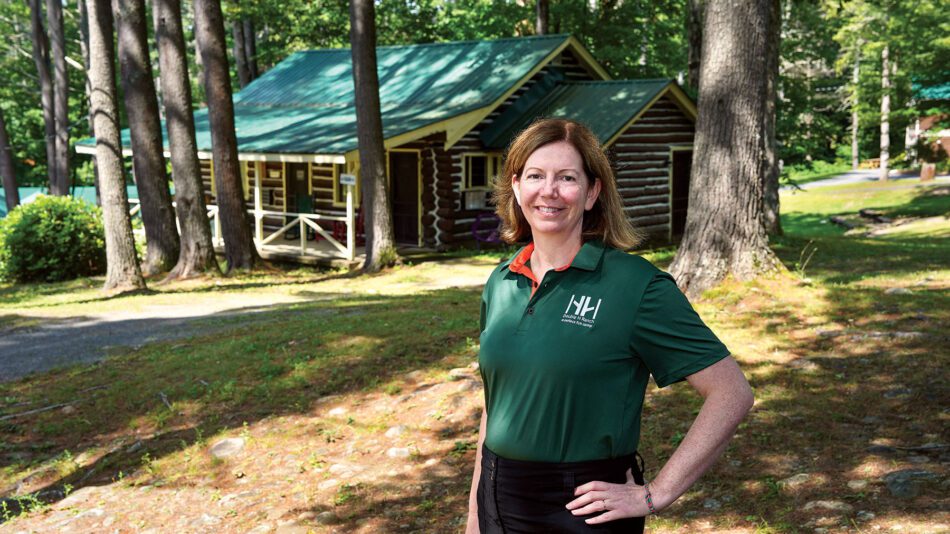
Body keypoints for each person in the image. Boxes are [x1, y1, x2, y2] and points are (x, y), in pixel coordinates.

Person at [466, 119, 754, 533]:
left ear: (592, 193)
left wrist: (656, 493)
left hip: (582, 511)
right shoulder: (502, 280)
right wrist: (476, 514)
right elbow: (496, 403)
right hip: (496, 497)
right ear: (516, 187)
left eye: (567, 178)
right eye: (535, 176)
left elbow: (731, 392)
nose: (549, 191)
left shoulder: (636, 286)